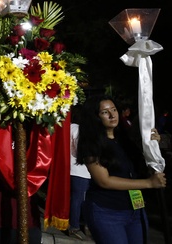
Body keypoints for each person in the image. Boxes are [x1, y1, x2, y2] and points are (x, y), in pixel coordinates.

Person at [76, 95, 166, 244]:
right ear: (95, 117)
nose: (112, 115)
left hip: (135, 210)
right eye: (105, 112)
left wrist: (153, 147)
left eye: (114, 109)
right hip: (107, 212)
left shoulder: (126, 140)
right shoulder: (92, 144)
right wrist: (148, 183)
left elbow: (140, 169)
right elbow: (104, 181)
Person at [66, 105, 90, 240]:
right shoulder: (79, 129)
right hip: (80, 169)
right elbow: (81, 150)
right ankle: (75, 225)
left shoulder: (67, 128)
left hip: (69, 168)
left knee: (74, 198)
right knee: (79, 199)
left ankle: (74, 223)